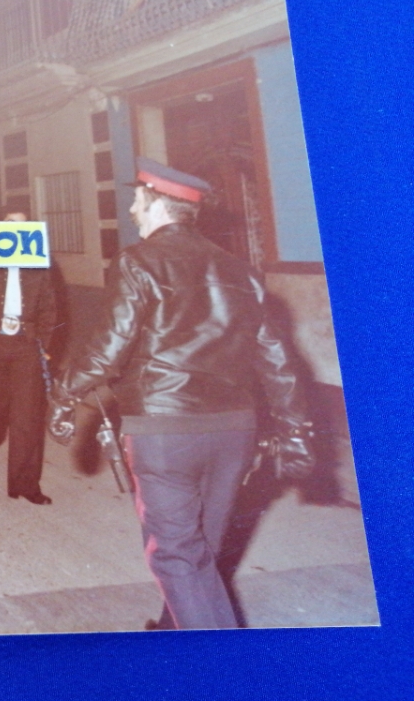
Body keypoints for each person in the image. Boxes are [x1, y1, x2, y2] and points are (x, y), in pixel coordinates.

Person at [48, 158, 313, 630]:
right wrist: (295, 428)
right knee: (202, 551)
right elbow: (276, 359)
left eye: (135, 198)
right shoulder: (240, 271)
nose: (130, 206)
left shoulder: (137, 261)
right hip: (234, 431)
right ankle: (174, 633)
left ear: (152, 203)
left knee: (177, 557)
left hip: (165, 430)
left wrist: (66, 394)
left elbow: (107, 349)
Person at [0, 212, 58, 504]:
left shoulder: (39, 264)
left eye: (21, 226)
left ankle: (25, 483)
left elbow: (50, 310)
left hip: (27, 347)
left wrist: (42, 344)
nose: (14, 231)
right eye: (9, 226)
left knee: (27, 417)